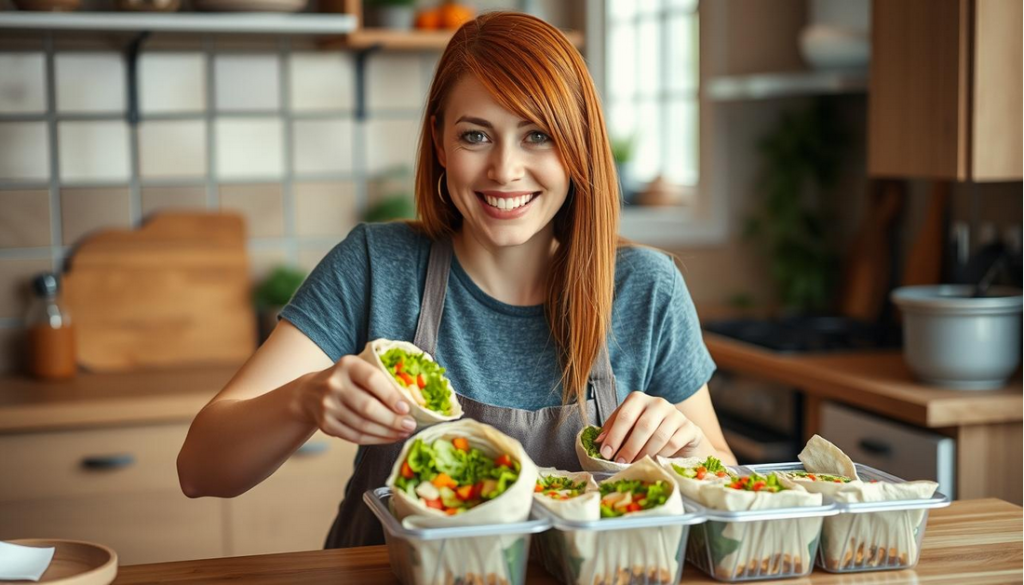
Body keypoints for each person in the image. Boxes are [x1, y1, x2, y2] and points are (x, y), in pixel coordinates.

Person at [176, 11, 735, 549]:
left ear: (577, 147)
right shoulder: (377, 266)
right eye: (475, 136)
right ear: (440, 141)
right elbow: (201, 470)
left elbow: (729, 494)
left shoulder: (646, 290)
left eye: (537, 135)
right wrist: (304, 400)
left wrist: (687, 451)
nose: (505, 170)